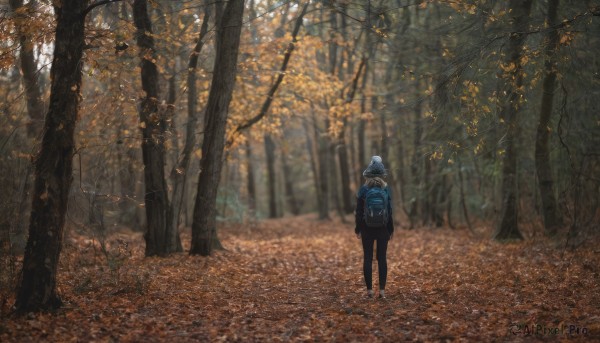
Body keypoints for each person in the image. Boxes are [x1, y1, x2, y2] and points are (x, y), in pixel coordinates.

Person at [355, 155, 394, 299]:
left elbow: (359, 211)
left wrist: (358, 228)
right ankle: (382, 291)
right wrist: (391, 229)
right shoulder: (385, 189)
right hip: (383, 228)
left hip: (366, 227)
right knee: (382, 258)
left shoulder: (364, 189)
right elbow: (389, 211)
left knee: (367, 257)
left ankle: (370, 291)